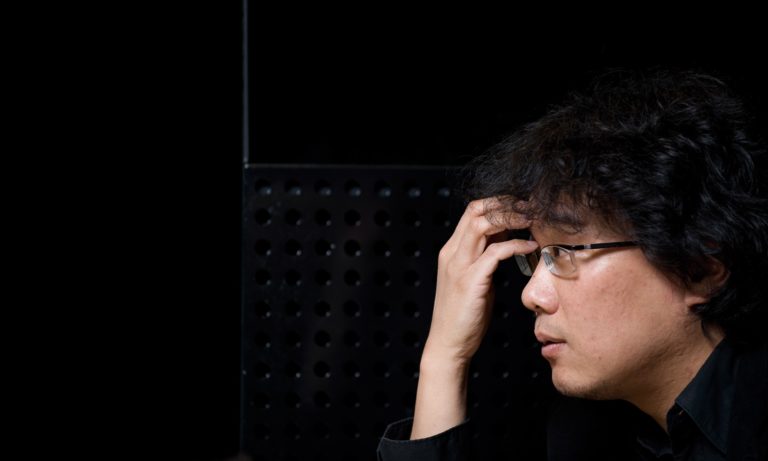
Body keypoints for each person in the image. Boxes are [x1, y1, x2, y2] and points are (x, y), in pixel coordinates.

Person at [376, 68, 768, 460]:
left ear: (699, 269)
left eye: (565, 252)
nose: (531, 295)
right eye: (537, 256)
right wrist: (445, 357)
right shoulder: (584, 432)